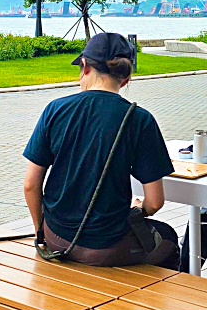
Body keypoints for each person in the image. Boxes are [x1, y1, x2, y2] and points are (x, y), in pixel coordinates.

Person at [23, 33, 179, 268]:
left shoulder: (54, 110)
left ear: (84, 67)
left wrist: (41, 233)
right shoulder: (140, 120)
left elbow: (30, 185)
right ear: (125, 79)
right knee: (167, 237)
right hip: (108, 247)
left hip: (56, 240)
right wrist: (139, 210)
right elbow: (155, 202)